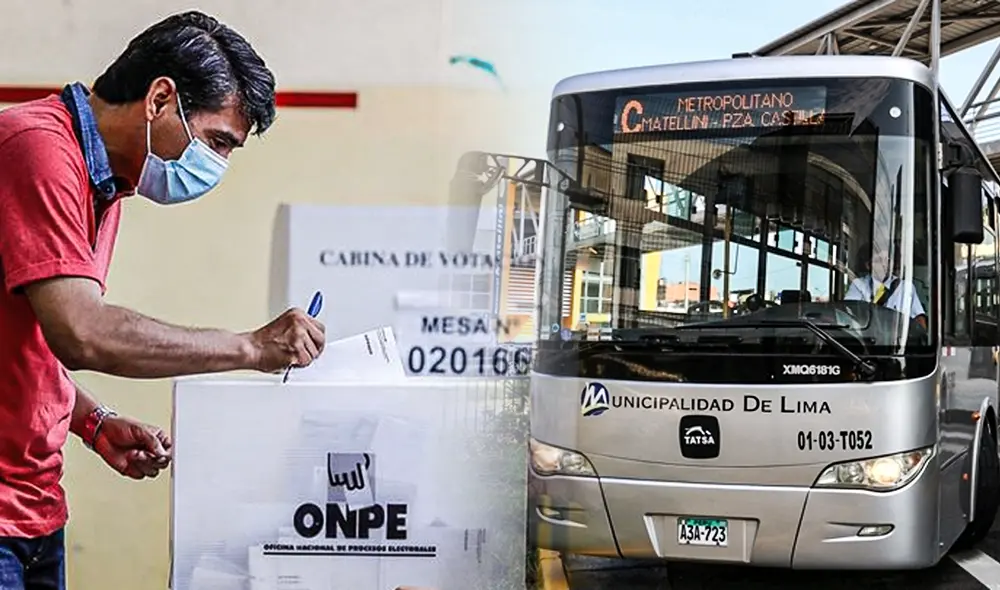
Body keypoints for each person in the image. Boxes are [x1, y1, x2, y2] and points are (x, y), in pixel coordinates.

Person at [0, 12, 325, 590]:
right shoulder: (37, 150)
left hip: (33, 506)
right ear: (159, 99)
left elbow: (26, 343)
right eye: (217, 141)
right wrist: (250, 347)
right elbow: (82, 333)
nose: (217, 167)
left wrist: (95, 423)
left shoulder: (106, 187)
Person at [844, 242, 928, 329]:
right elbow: (849, 312)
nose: (885, 265)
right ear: (868, 265)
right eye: (879, 260)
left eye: (888, 260)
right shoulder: (858, 285)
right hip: (867, 337)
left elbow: (919, 318)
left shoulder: (905, 287)